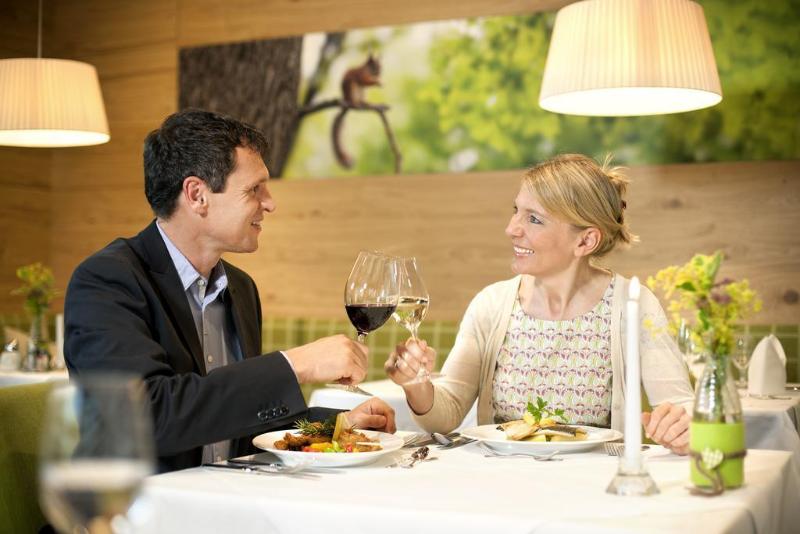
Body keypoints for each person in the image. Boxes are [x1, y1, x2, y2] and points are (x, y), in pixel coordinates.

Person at [64, 109, 395, 473]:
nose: (270, 203)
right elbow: (143, 419)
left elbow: (240, 418)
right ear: (197, 195)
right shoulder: (107, 280)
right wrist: (295, 364)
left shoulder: (240, 288)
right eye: (254, 189)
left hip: (222, 495)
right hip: (132, 503)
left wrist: (338, 425)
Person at [386, 154, 694, 454]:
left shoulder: (633, 306)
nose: (512, 229)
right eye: (516, 211)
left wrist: (681, 427)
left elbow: (682, 407)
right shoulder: (491, 305)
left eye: (534, 219)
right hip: (502, 478)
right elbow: (446, 415)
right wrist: (416, 384)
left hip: (594, 482)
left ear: (585, 241)